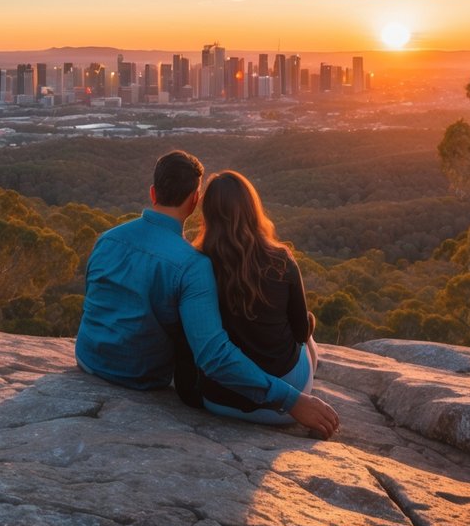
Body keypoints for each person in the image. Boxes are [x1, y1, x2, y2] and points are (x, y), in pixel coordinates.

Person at [75, 150, 340, 439]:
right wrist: (291, 399)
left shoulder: (107, 238)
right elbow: (213, 355)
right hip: (139, 376)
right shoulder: (191, 265)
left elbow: (95, 303)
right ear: (193, 201)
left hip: (88, 359)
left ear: (153, 193)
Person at [192, 170, 317, 425]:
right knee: (309, 335)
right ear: (252, 208)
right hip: (286, 405)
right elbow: (300, 333)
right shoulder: (282, 260)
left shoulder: (197, 264)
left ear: (208, 215)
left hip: (220, 400)